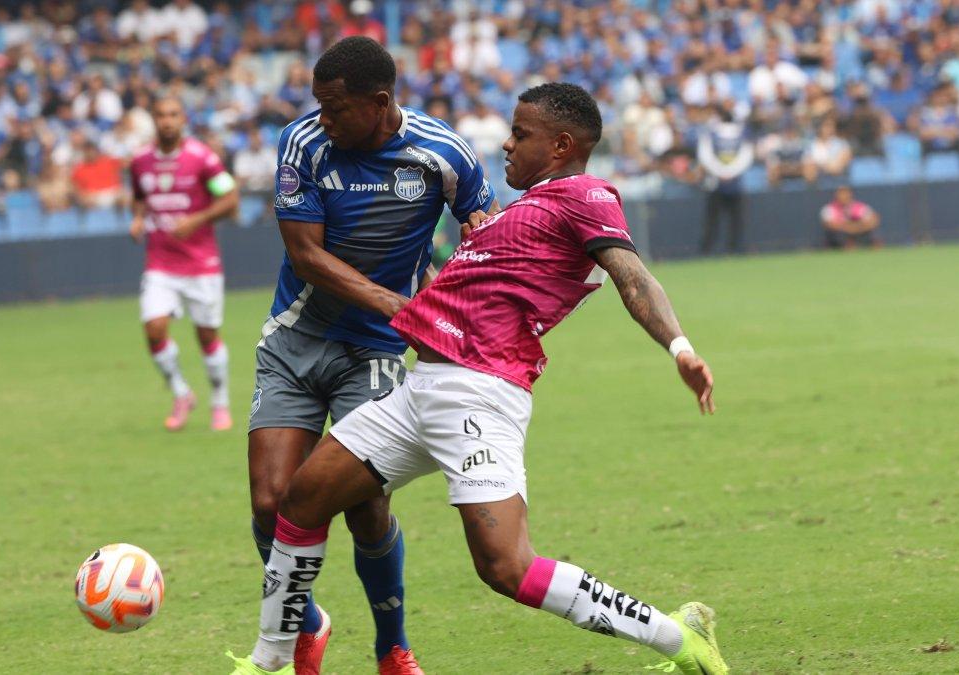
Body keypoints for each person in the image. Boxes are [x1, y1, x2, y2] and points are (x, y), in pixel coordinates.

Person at [229, 83, 728, 675]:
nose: (507, 143)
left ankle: (680, 636)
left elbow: (632, 275)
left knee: (506, 567)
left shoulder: (585, 194)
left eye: (521, 134)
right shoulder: (520, 212)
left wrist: (679, 347)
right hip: (421, 390)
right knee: (302, 499)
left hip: (478, 394)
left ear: (562, 145)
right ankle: (271, 664)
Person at [235, 37, 498, 675]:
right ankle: (308, 620)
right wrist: (397, 304)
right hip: (297, 339)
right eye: (319, 105)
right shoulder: (304, 142)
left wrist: (469, 269)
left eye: (336, 108)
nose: (323, 118)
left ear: (379, 103)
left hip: (376, 353)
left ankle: (392, 647)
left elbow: (484, 230)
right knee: (272, 504)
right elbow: (305, 254)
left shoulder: (444, 153)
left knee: (364, 505)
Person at [128, 96, 240, 431]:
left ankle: (219, 402)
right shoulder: (140, 161)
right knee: (153, 328)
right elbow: (139, 197)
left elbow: (230, 198)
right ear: (153, 119)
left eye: (173, 115)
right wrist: (137, 219)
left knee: (207, 336)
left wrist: (196, 220)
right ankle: (181, 393)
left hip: (201, 263)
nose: (167, 121)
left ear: (183, 119)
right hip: (160, 262)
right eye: (161, 115)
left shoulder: (202, 158)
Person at [697, 108, 753, 254]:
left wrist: (722, 172)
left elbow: (705, 156)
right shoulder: (741, 132)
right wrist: (730, 172)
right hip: (730, 180)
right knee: (733, 220)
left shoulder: (711, 132)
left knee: (714, 220)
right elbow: (746, 156)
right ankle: (733, 249)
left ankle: (708, 250)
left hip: (717, 180)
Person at [821, 185, 880, 249]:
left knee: (871, 232)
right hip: (842, 233)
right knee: (836, 235)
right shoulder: (830, 208)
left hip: (859, 231)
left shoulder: (859, 206)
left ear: (850, 195)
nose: (843, 197)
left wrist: (856, 227)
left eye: (845, 194)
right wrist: (848, 228)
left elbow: (874, 219)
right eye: (841, 194)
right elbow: (829, 224)